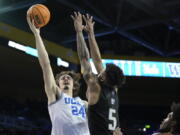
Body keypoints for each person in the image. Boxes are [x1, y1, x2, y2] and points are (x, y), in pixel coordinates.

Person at [27, 15, 90, 135]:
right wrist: (37, 34)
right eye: (62, 78)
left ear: (74, 85)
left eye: (69, 78)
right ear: (57, 84)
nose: (66, 78)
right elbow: (45, 64)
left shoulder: (84, 104)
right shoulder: (55, 95)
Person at [71, 12, 125, 135]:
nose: (101, 71)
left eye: (103, 72)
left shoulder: (95, 86)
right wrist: (91, 34)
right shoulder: (113, 88)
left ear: (104, 77)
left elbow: (84, 59)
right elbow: (97, 60)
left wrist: (79, 32)